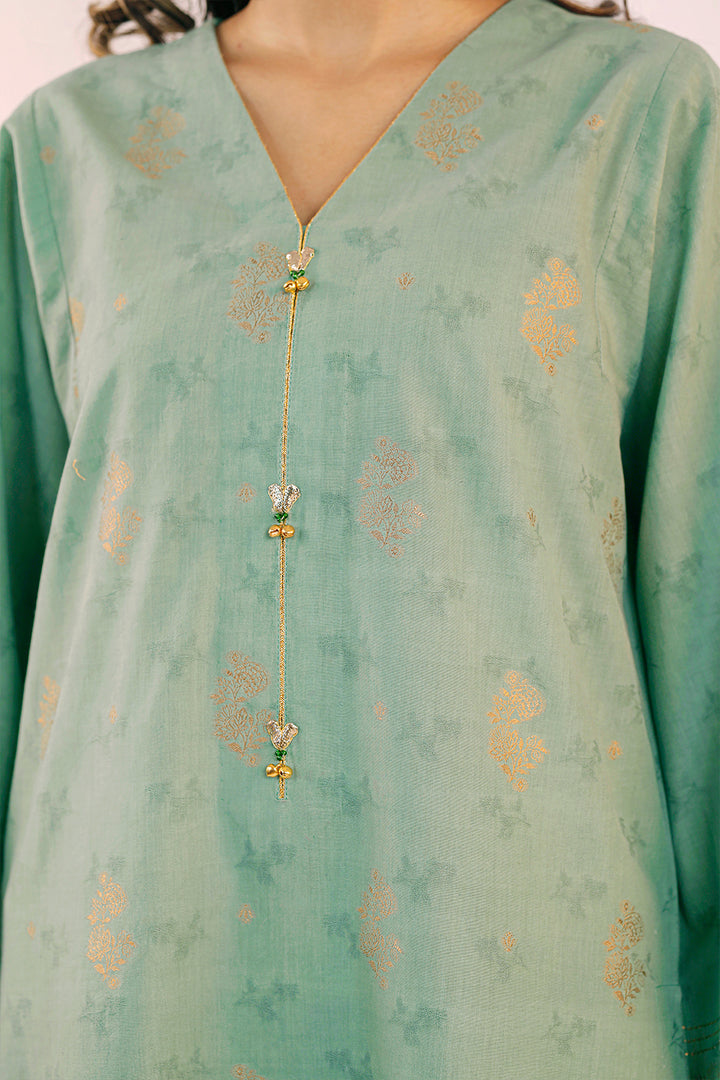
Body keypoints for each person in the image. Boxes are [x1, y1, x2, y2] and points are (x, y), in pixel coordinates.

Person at [0, 0, 717, 1076]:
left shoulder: (643, 114)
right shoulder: (67, 150)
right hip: (129, 979)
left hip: (512, 975)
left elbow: (702, 606)